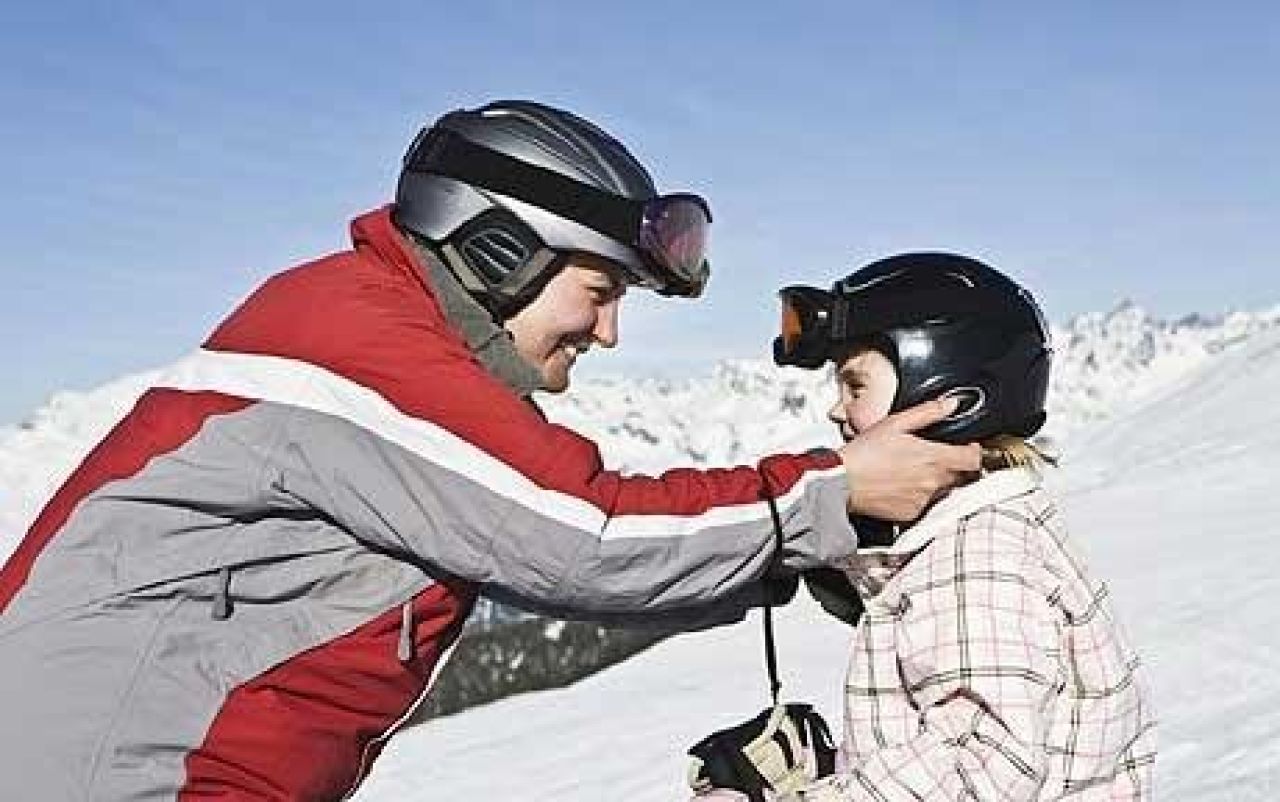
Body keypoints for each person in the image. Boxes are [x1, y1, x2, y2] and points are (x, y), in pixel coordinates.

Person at [0, 101, 978, 801]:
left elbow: (549, 550)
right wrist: (830, 492)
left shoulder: (395, 347)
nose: (607, 336)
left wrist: (792, 558)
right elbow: (579, 533)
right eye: (601, 293)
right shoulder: (352, 344)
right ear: (503, 251)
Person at [688, 253, 1157, 800]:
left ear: (952, 401)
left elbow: (982, 763)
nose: (836, 412)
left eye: (855, 386)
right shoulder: (971, 529)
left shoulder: (975, 558)